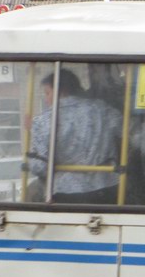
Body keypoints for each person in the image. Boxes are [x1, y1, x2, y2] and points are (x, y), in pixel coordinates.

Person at [28, 69, 123, 204]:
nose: (46, 99)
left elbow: (39, 166)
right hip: (107, 188)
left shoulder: (43, 121)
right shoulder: (103, 110)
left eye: (47, 93)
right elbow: (132, 135)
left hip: (66, 193)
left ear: (61, 91)